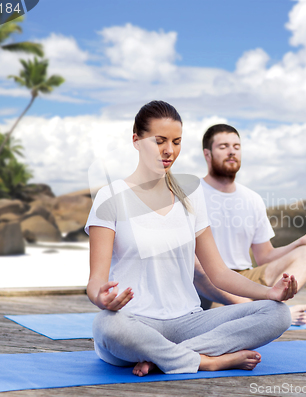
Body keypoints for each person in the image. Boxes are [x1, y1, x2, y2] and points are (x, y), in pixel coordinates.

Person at [84, 101, 295, 377]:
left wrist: (269, 293)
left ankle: (164, 358)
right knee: (107, 326)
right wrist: (102, 299)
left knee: (278, 313)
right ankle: (207, 361)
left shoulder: (190, 195)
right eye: (159, 141)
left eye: (176, 142)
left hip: (189, 322)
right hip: (134, 323)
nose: (169, 151)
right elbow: (95, 282)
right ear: (136, 139)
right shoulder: (110, 197)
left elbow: (218, 272)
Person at [193, 124, 306, 325]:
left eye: (236, 146)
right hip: (205, 284)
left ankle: (263, 310)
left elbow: (265, 257)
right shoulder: (192, 194)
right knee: (193, 262)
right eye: (223, 146)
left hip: (243, 278)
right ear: (207, 154)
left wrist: (301, 241)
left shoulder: (252, 199)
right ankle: (262, 315)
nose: (232, 151)